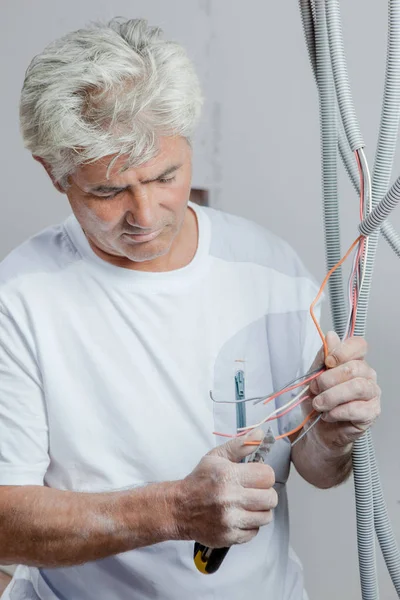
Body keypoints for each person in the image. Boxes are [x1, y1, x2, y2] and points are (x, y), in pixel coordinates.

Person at [0, 17, 381, 600]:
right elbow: (5, 522)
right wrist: (174, 511)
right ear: (55, 175)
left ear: (188, 144)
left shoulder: (270, 268)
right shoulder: (20, 298)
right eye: (107, 192)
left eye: (165, 177)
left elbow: (316, 469)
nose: (145, 216)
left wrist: (332, 434)